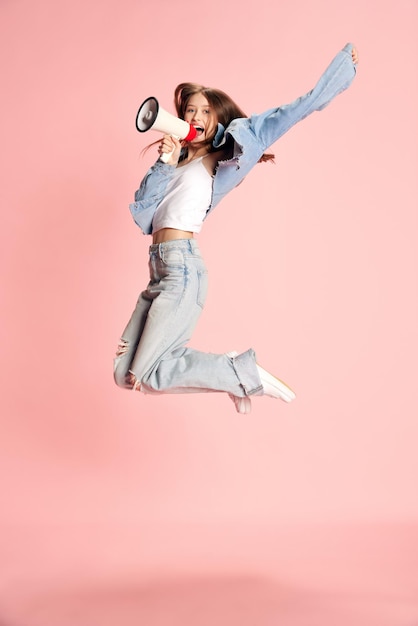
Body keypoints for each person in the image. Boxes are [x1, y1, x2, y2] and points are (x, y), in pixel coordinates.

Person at [114, 43, 359, 414]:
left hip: (183, 269)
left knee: (150, 373)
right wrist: (164, 161)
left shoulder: (224, 155)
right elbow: (145, 213)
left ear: (217, 117)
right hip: (159, 269)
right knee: (125, 373)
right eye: (189, 110)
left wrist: (341, 71)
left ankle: (239, 372)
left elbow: (294, 112)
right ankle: (230, 373)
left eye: (204, 110)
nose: (194, 116)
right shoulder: (176, 162)